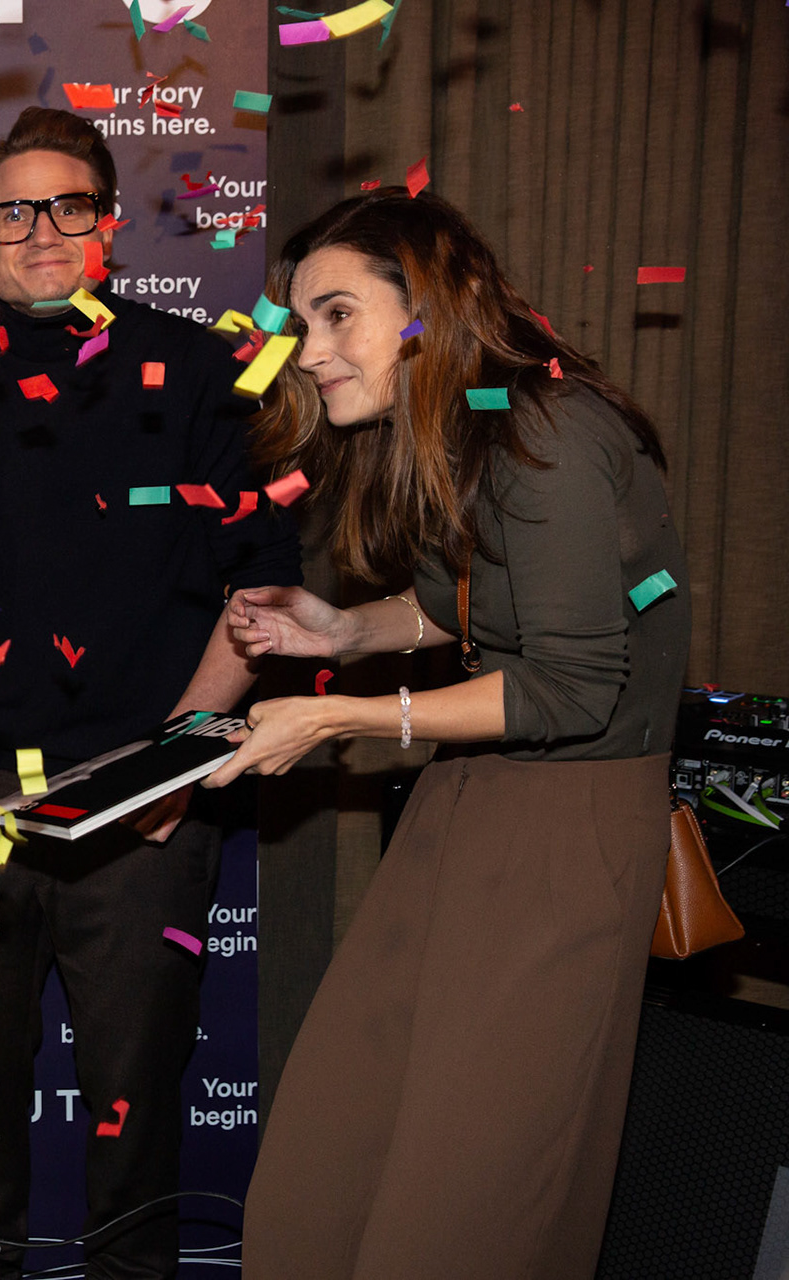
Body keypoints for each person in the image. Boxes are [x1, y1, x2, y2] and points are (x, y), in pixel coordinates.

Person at [0, 108, 301, 1280]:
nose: (43, 230)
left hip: (139, 789)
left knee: (133, 1108)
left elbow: (264, 589)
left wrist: (173, 768)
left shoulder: (203, 370)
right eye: (13, 213)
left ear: (108, 226)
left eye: (70, 205)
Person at [209, 189, 689, 1278]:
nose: (309, 352)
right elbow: (464, 610)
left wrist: (342, 712)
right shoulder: (458, 426)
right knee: (336, 1148)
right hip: (467, 797)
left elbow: (572, 686)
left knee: (463, 1192)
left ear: (426, 304)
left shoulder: (550, 431)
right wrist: (346, 629)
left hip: (571, 825)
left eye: (337, 315)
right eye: (300, 324)